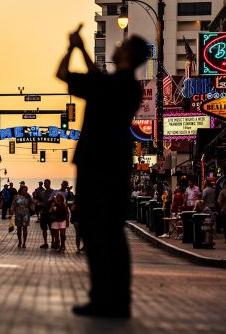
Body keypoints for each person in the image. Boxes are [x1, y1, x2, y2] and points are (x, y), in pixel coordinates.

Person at [57, 24, 148, 318]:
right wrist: (76, 48)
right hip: (107, 165)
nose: (117, 46)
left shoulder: (125, 86)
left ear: (129, 56)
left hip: (101, 167)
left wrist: (78, 48)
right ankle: (109, 299)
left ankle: (110, 300)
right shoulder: (116, 85)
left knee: (103, 233)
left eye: (123, 45)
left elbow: (88, 80)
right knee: (103, 233)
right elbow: (64, 75)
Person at [38, 179, 55, 249]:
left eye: (46, 183)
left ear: (50, 183)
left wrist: (51, 209)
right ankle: (45, 243)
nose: (45, 184)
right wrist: (40, 205)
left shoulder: (53, 192)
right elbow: (40, 202)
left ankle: (53, 242)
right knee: (44, 229)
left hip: (51, 213)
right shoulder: (42, 193)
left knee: (52, 228)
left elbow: (54, 202)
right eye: (45, 183)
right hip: (43, 213)